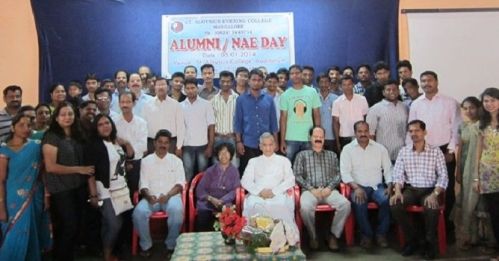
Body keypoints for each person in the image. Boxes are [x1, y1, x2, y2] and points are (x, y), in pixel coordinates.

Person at [408, 71, 462, 236]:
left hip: (444, 150)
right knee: (425, 188)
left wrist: (451, 150)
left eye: (429, 80)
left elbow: (456, 129)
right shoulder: (416, 104)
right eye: (423, 81)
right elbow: (411, 129)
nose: (426, 84)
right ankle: (426, 231)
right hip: (422, 151)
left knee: (447, 191)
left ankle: (447, 229)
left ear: (437, 81)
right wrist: (411, 151)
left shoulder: (450, 102)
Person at [42, 102, 95, 260]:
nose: (67, 117)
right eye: (63, 114)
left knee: (77, 226)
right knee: (67, 226)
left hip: (78, 187)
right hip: (60, 189)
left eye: (70, 114)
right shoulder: (52, 136)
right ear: (56, 118)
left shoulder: (77, 135)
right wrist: (79, 169)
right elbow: (50, 167)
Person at [390, 120, 448, 259]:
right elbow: (398, 174)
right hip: (411, 189)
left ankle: (429, 243)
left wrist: (435, 194)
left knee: (431, 208)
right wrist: (397, 191)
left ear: (424, 132)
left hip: (429, 190)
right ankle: (413, 240)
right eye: (411, 131)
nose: (414, 134)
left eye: (417, 130)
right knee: (395, 205)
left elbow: (443, 176)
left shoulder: (435, 151)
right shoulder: (404, 151)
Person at [0, 114, 52, 260]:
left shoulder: (36, 145)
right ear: (12, 127)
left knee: (31, 232)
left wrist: (47, 195)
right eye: (21, 125)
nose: (26, 128)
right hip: (11, 200)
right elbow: (0, 180)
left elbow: (43, 173)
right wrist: (1, 207)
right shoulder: (4, 150)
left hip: (34, 196)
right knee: (12, 235)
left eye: (29, 125)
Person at [86, 114, 134, 261]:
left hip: (121, 188)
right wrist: (93, 194)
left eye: (107, 122)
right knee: (114, 224)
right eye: (100, 124)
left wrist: (126, 143)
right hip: (104, 190)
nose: (105, 126)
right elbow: (90, 172)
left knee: (111, 224)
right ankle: (107, 255)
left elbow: (130, 155)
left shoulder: (116, 142)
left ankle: (109, 252)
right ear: (96, 128)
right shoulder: (94, 145)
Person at [294, 127, 351, 251]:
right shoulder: (302, 155)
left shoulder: (332, 155)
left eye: (321, 137)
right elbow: (297, 175)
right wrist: (311, 189)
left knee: (345, 204)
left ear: (324, 139)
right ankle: (313, 236)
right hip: (309, 191)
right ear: (310, 138)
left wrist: (329, 188)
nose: (318, 139)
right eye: (316, 136)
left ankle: (333, 236)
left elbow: (338, 174)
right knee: (305, 207)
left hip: (329, 191)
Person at [132, 129, 185, 258]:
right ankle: (146, 245)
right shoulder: (146, 161)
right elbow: (143, 185)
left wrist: (167, 195)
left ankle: (171, 246)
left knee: (176, 210)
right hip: (152, 198)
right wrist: (149, 196)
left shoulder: (176, 161)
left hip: (171, 196)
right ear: (154, 143)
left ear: (170, 145)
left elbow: (179, 184)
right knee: (138, 213)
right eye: (160, 142)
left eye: (166, 142)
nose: (163, 145)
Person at [341, 121, 392, 248]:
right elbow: (345, 173)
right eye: (360, 131)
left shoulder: (380, 148)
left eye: (365, 131)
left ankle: (381, 234)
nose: (363, 134)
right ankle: (367, 235)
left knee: (387, 200)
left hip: (377, 186)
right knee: (358, 201)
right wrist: (356, 188)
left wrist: (390, 186)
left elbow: (388, 169)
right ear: (355, 133)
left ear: (369, 132)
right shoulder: (347, 150)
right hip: (358, 186)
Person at [453, 96, 495, 251]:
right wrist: (458, 170)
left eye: (472, 107)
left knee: (485, 206)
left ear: (479, 108)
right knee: (468, 205)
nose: (469, 111)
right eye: (465, 108)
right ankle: (471, 237)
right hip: (466, 171)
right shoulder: (462, 126)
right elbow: (461, 150)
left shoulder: (484, 126)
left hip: (484, 171)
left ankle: (491, 239)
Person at [241, 133, 296, 227]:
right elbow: (245, 181)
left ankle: (282, 237)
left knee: (281, 205)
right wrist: (259, 192)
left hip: (278, 195)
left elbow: (290, 180)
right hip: (257, 195)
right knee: (252, 205)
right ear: (260, 146)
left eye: (270, 145)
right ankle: (255, 239)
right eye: (265, 145)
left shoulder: (284, 160)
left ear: (275, 145)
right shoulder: (253, 161)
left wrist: (274, 192)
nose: (268, 148)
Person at [234, 69, 278, 174]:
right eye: (254, 80)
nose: (256, 82)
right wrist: (238, 142)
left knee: (265, 172)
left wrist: (275, 141)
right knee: (247, 172)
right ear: (249, 81)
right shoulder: (241, 99)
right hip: (248, 143)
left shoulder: (269, 99)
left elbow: (273, 122)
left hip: (266, 144)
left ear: (263, 82)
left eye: (259, 80)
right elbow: (238, 122)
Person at [475, 87, 499, 260]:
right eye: (486, 101)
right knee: (495, 215)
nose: (489, 104)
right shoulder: (480, 125)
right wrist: (476, 177)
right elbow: (479, 151)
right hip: (488, 174)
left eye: (493, 100)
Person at [279, 65, 321, 162]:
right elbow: (283, 119)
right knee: (290, 166)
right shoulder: (285, 95)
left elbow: (317, 114)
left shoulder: (312, 92)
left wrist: (318, 135)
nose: (295, 75)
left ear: (302, 74)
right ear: (289, 76)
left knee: (309, 166)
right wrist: (282, 141)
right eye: (292, 73)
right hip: (291, 138)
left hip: (308, 137)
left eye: (297, 73)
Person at [195, 142, 241, 231]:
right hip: (208, 202)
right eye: (221, 153)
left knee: (228, 216)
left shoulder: (234, 171)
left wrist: (222, 201)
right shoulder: (210, 171)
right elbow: (200, 190)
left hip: (225, 203)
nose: (224, 155)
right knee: (203, 214)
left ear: (231, 155)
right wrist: (211, 199)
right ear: (217, 155)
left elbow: (234, 191)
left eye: (226, 152)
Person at [114, 91, 148, 195]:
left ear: (133, 103)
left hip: (137, 162)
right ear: (119, 103)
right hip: (118, 163)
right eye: (122, 102)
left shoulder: (141, 122)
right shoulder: (113, 122)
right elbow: (114, 144)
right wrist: (125, 160)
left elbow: (142, 145)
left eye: (128, 102)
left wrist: (129, 153)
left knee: (135, 192)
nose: (125, 105)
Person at [181, 78, 215, 181]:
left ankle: (201, 196)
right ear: (184, 90)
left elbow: (211, 126)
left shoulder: (206, 104)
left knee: (203, 173)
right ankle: (187, 196)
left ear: (197, 88)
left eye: (193, 88)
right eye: (188, 88)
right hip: (186, 146)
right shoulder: (180, 106)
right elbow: (179, 127)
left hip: (203, 145)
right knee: (187, 173)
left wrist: (210, 146)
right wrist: (179, 147)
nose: (190, 90)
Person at [366, 80, 408, 163]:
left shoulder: (404, 107)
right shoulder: (375, 109)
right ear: (383, 93)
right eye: (388, 90)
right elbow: (370, 134)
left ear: (398, 91)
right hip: (384, 154)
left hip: (404, 153)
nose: (392, 92)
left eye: (394, 89)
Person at [142, 77, 184, 156]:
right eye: (158, 85)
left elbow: (181, 127)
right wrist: (144, 146)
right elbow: (143, 127)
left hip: (171, 143)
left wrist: (179, 146)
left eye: (163, 85)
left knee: (171, 167)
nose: (161, 87)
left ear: (168, 87)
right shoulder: (147, 105)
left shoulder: (176, 105)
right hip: (152, 142)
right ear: (154, 87)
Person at [332, 75, 369, 151]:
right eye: (344, 85)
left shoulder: (362, 99)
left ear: (353, 85)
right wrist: (337, 141)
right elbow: (335, 123)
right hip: (344, 136)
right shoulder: (337, 102)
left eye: (349, 84)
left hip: (360, 135)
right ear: (341, 86)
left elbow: (366, 118)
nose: (347, 87)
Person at [211, 70, 239, 166]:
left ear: (232, 82)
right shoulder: (213, 100)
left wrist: (238, 138)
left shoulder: (238, 99)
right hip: (217, 138)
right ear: (219, 82)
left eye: (228, 81)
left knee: (234, 166)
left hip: (233, 138)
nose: (225, 84)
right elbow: (210, 122)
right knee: (217, 166)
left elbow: (241, 120)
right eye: (223, 81)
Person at [316, 73, 338, 152]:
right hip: (317, 136)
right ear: (318, 84)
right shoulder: (314, 97)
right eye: (321, 82)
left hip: (332, 136)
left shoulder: (336, 99)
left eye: (326, 82)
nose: (324, 84)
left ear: (329, 83)